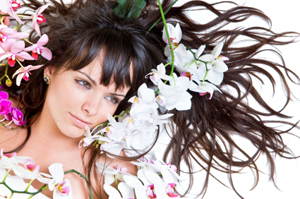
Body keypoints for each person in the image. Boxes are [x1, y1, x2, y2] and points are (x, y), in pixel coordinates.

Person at [0, 0, 299, 198]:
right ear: (50, 68)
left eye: (112, 98)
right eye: (83, 83)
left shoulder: (120, 179)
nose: (91, 108)